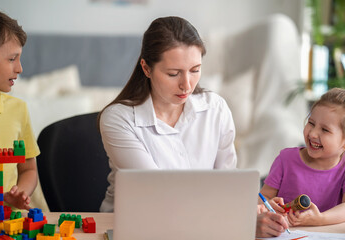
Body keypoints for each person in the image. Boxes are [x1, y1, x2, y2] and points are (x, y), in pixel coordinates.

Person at [97, 16, 289, 237]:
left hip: (200, 227)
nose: (186, 85)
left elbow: (226, 184)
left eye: (195, 70)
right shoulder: (118, 119)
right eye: (173, 73)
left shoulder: (215, 109)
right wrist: (240, 223)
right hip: (137, 228)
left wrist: (251, 209)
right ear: (146, 68)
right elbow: (159, 196)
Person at [260, 88, 345, 227]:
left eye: (325, 130)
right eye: (311, 123)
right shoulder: (285, 159)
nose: (313, 134)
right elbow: (262, 198)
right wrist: (267, 205)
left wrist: (320, 219)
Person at [0, 5, 40, 210]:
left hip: (8, 221)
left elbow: (28, 170)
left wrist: (19, 194)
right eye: (11, 59)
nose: (19, 68)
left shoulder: (18, 110)